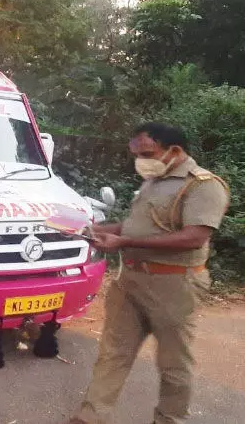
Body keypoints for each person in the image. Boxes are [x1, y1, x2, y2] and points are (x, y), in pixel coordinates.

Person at [68, 122, 230, 424]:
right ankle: (90, 418)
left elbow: (194, 236)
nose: (140, 161)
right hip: (130, 281)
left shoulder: (203, 186)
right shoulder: (153, 181)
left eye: (146, 153)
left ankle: (170, 419)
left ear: (175, 151)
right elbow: (135, 227)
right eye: (136, 154)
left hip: (174, 284)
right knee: (113, 353)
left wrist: (126, 241)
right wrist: (95, 231)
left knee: (174, 363)